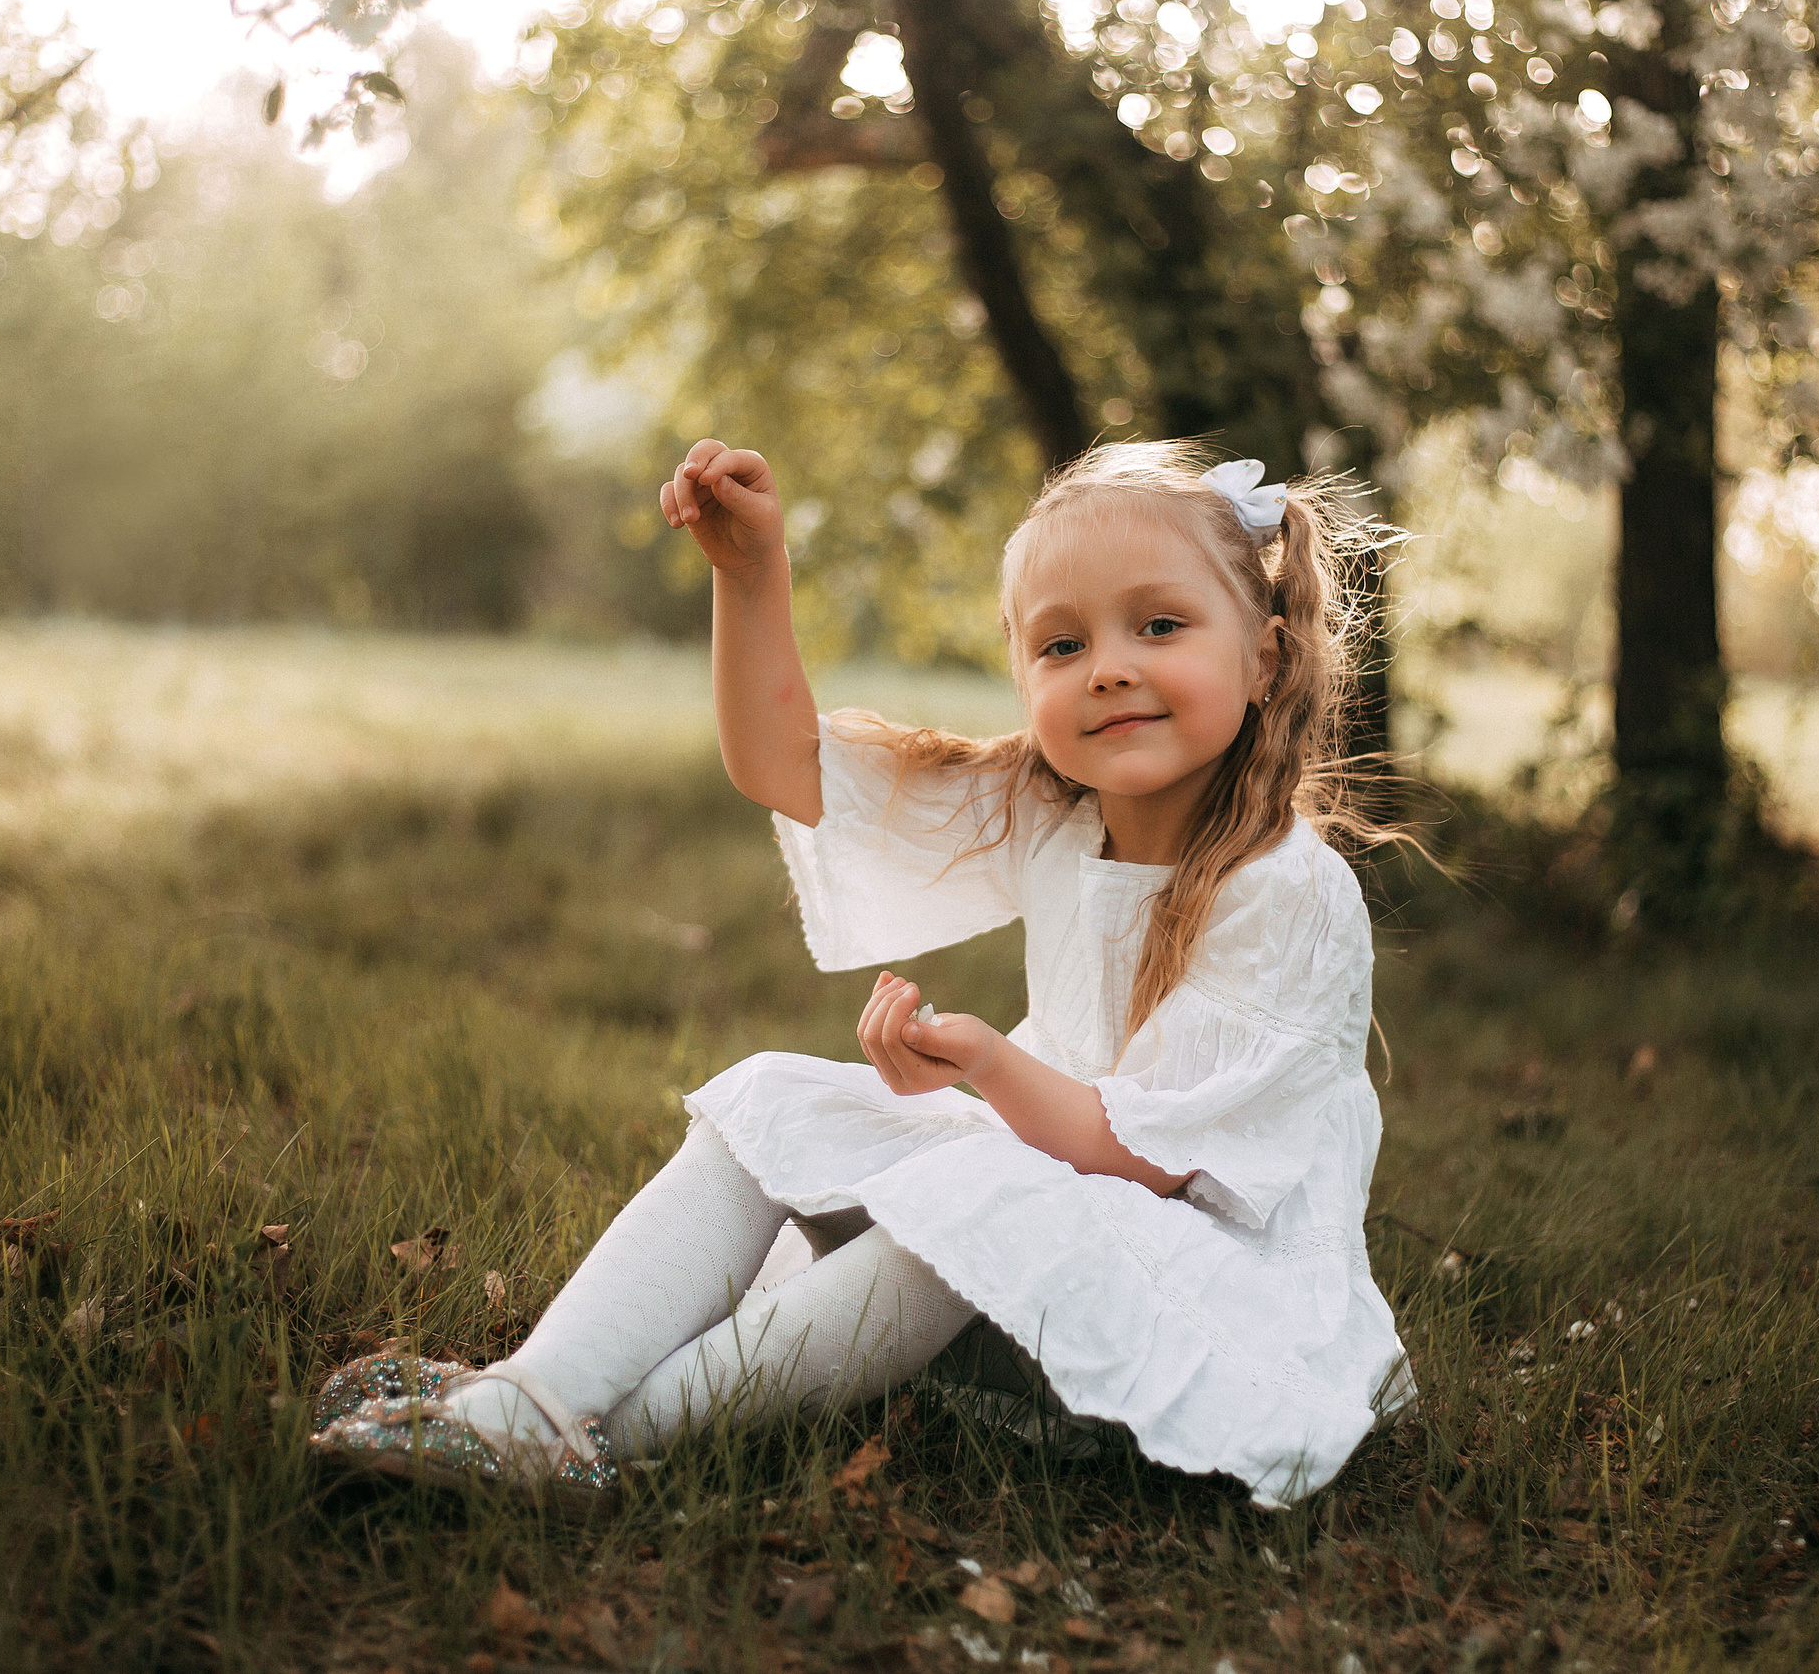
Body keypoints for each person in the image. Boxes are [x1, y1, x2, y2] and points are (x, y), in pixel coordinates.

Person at [308, 437, 1413, 1514]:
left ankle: (589, 1438)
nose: (1109, 666)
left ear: (1264, 658)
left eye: (1159, 625)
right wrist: (751, 573)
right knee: (772, 1098)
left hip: (1195, 1307)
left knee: (980, 1191)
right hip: (1050, 1224)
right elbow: (786, 766)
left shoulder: (1286, 892)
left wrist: (985, 1062)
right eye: (1061, 645)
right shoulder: (1055, 808)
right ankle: (532, 1397)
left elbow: (1156, 1162)